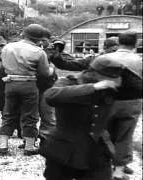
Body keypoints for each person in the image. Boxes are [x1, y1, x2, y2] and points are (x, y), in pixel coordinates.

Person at [48, 32, 142, 178]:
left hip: (97, 151)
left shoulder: (113, 82)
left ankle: (119, 168)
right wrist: (94, 88)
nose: (117, 82)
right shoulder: (70, 82)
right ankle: (120, 168)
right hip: (65, 148)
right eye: (112, 78)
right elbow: (51, 96)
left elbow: (136, 87)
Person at [0, 24, 54, 156]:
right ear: (39, 39)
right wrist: (52, 68)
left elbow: (3, 64)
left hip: (10, 83)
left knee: (8, 113)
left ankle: (3, 145)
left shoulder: (8, 47)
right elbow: (45, 73)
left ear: (24, 34)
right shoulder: (39, 52)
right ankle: (29, 147)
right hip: (29, 84)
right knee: (30, 114)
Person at [103, 32, 142, 180]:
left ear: (118, 42)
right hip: (131, 103)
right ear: (136, 43)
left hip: (107, 101)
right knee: (125, 136)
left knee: (105, 134)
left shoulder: (105, 58)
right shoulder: (138, 60)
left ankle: (103, 166)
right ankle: (119, 171)